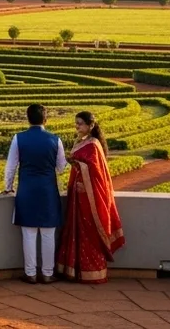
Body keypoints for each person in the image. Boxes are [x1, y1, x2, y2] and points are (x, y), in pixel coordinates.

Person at [1, 104, 67, 284]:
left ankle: (30, 273)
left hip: (27, 191)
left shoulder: (18, 139)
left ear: (27, 118)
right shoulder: (55, 140)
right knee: (48, 234)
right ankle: (47, 273)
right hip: (48, 191)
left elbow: (11, 166)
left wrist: (8, 187)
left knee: (28, 234)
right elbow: (61, 167)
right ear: (45, 119)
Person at [56, 111, 124, 283]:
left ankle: (93, 272)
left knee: (89, 232)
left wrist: (76, 164)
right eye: (76, 123)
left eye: (80, 123)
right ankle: (75, 270)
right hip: (77, 197)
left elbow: (96, 173)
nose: (77, 126)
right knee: (76, 232)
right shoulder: (81, 142)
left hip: (89, 197)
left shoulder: (93, 145)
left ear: (91, 126)